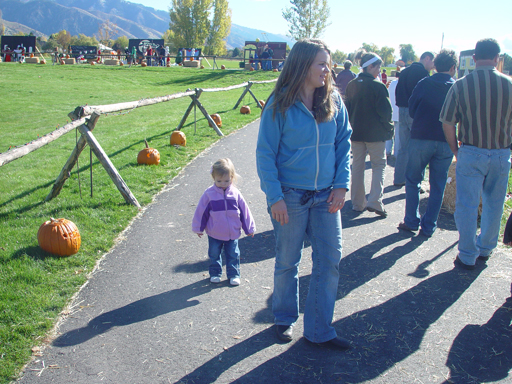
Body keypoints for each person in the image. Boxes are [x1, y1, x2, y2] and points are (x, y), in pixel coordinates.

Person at [256, 38, 352, 349]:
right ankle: (284, 317)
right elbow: (265, 154)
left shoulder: (333, 101)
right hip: (291, 197)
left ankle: (319, 329)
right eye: (321, 64)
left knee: (330, 260)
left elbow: (343, 146)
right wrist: (275, 197)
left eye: (329, 64)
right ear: (302, 66)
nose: (328, 70)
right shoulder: (279, 104)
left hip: (326, 196)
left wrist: (341, 184)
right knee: (287, 260)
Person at [440, 38, 512, 270]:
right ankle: (486, 247)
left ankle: (467, 253)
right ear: (497, 59)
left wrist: (455, 149)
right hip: (501, 153)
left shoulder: (460, 85)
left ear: (474, 58)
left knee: (467, 205)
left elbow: (448, 121)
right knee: (494, 203)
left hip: (471, 150)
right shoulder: (509, 85)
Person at [398, 50, 458, 237]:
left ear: (434, 65)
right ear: (453, 68)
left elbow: (412, 109)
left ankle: (411, 220)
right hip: (445, 141)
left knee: (413, 180)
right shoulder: (456, 87)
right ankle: (429, 225)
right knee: (438, 184)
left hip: (421, 138)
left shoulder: (424, 83)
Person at [192, 158, 255, 285]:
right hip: (215, 232)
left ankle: (234, 274)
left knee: (233, 254)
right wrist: (198, 228)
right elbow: (201, 212)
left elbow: (244, 211)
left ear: (232, 177)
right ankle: (215, 273)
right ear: (213, 177)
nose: (223, 183)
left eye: (226, 181)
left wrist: (249, 228)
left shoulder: (235, 194)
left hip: (233, 232)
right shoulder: (209, 194)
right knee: (214, 254)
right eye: (219, 181)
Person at [345, 53, 394, 217]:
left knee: (357, 167)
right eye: (378, 67)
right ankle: (375, 201)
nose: (379, 70)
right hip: (375, 134)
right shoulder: (378, 86)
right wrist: (389, 128)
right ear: (370, 66)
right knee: (378, 165)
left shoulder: (352, 84)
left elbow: (347, 110)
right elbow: (386, 112)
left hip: (356, 132)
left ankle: (357, 203)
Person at [393, 51, 435, 187]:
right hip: (415, 112)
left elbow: (397, 92)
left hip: (402, 110)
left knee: (403, 147)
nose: (433, 66)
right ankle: (415, 181)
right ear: (427, 59)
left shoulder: (404, 72)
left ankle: (399, 178)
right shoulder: (423, 74)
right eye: (432, 63)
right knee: (418, 148)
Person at [386, 71, 400, 156]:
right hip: (399, 111)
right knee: (398, 134)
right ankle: (396, 153)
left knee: (389, 133)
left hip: (391, 110)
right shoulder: (402, 84)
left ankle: (387, 150)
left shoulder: (392, 83)